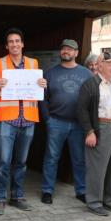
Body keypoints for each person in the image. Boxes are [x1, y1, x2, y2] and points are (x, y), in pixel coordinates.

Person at [0, 28, 48, 215]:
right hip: (7, 119)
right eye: (11, 42)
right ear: (7, 46)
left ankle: (17, 196)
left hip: (28, 119)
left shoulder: (34, 64)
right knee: (3, 161)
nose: (14, 44)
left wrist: (43, 86)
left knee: (22, 162)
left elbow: (41, 93)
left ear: (22, 44)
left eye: (17, 41)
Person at [39, 39, 91, 204]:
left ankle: (81, 190)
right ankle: (47, 190)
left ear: (76, 53)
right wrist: (47, 118)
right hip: (56, 121)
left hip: (78, 124)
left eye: (70, 49)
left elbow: (92, 99)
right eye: (63, 49)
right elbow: (43, 98)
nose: (66, 52)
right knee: (51, 157)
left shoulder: (86, 74)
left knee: (79, 158)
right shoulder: (50, 73)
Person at [76, 53, 111, 216]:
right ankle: (94, 201)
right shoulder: (91, 84)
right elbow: (81, 110)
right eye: (110, 64)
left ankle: (110, 200)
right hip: (102, 127)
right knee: (97, 167)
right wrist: (89, 132)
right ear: (99, 65)